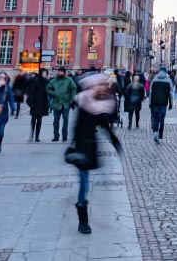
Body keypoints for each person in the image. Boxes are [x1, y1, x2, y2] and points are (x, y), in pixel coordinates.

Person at [67, 72, 122, 236]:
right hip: (82, 148)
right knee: (84, 184)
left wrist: (115, 142)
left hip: (91, 147)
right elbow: (77, 128)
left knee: (87, 182)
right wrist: (77, 147)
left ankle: (83, 216)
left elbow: (104, 125)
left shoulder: (98, 105)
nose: (104, 88)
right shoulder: (85, 103)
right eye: (101, 85)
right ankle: (83, 221)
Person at [47, 67, 76, 142]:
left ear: (64, 72)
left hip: (66, 104)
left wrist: (72, 99)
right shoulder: (53, 81)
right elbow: (47, 89)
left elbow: (73, 89)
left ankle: (64, 136)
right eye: (58, 71)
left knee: (65, 120)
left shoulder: (69, 80)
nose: (59, 73)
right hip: (56, 103)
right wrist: (54, 93)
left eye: (61, 71)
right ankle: (56, 136)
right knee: (56, 121)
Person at [148, 66, 173, 143]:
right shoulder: (168, 80)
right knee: (162, 118)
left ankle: (155, 132)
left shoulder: (155, 80)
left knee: (156, 118)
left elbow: (151, 92)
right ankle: (160, 133)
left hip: (155, 102)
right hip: (164, 102)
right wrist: (171, 103)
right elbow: (170, 93)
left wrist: (150, 103)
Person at [26, 69, 50, 142]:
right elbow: (31, 92)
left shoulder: (47, 82)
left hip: (43, 103)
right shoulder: (35, 81)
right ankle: (32, 134)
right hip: (35, 102)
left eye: (46, 73)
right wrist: (31, 102)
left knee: (39, 120)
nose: (45, 74)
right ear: (41, 73)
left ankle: (37, 136)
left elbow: (50, 90)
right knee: (33, 119)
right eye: (44, 73)